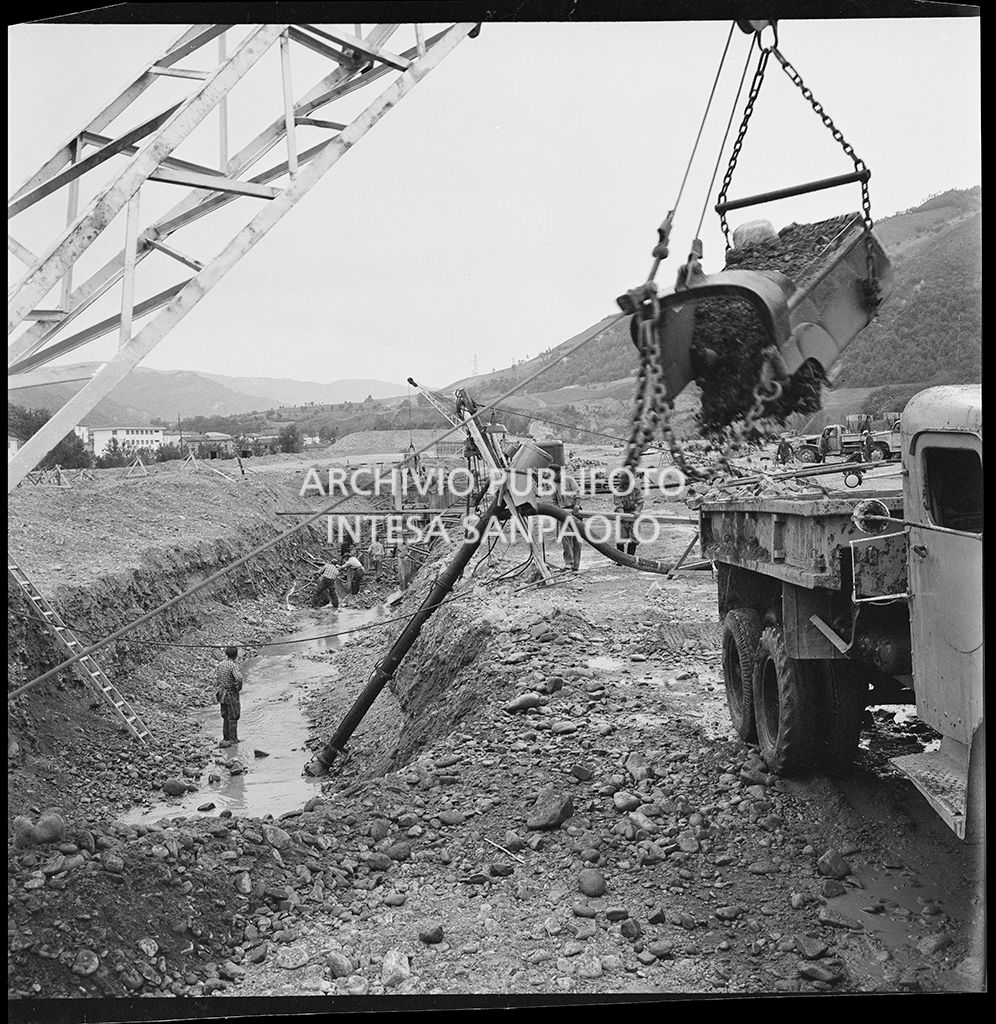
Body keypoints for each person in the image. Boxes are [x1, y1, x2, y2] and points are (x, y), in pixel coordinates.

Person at [215, 646, 243, 747]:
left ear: (226, 654)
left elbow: (217, 679)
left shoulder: (221, 664)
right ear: (236, 655)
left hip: (221, 693)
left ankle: (225, 738)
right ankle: (233, 740)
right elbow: (239, 678)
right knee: (233, 715)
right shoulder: (232, 665)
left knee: (225, 715)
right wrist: (238, 688)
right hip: (230, 693)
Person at [614, 468, 644, 557]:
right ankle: (620, 559)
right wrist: (623, 517)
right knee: (621, 537)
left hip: (633, 513)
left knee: (634, 537)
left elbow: (640, 502)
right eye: (622, 479)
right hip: (622, 514)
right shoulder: (618, 491)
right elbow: (619, 506)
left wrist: (637, 511)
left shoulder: (636, 489)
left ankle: (630, 557)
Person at [557, 471, 583, 572]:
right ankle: (568, 562)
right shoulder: (553, 484)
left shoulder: (569, 479)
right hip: (562, 511)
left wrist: (577, 506)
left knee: (577, 539)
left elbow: (578, 493)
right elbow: (554, 500)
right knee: (565, 538)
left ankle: (576, 565)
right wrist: (555, 511)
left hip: (575, 511)